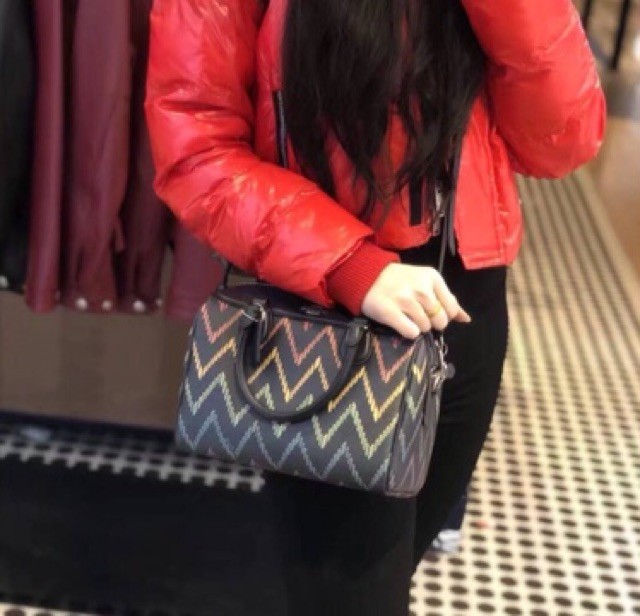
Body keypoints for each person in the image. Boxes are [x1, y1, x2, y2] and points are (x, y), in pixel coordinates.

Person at [145, 1, 605, 614]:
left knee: (384, 575)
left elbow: (565, 141)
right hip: (329, 310)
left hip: (464, 305)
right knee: (354, 597)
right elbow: (197, 147)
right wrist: (349, 266)